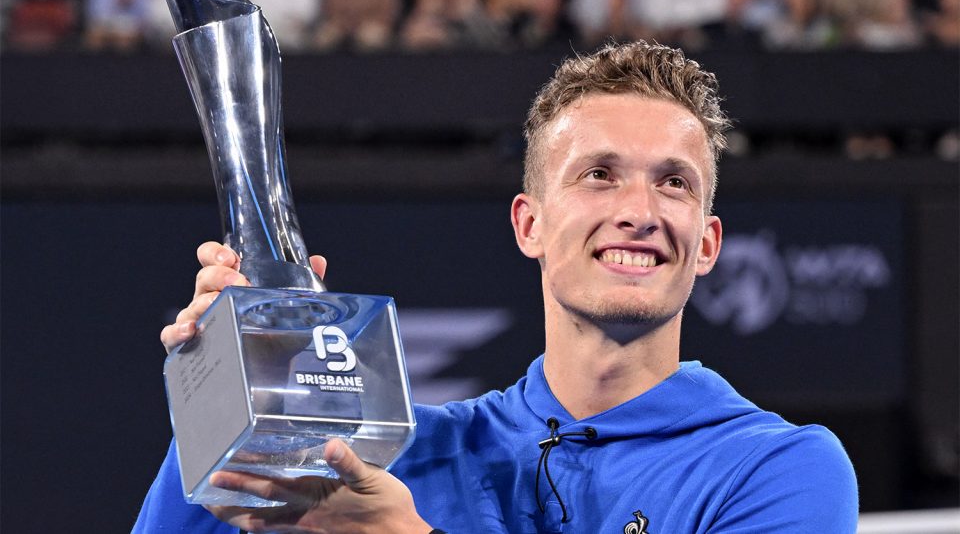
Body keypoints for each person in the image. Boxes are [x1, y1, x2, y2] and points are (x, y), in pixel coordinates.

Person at [134, 41, 858, 533]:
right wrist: (228, 388)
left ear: (705, 243)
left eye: (674, 183)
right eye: (599, 174)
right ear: (530, 224)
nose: (639, 212)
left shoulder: (776, 469)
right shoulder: (400, 458)